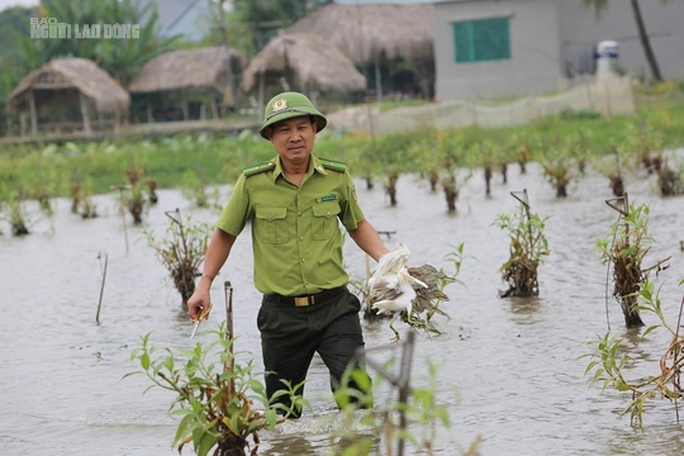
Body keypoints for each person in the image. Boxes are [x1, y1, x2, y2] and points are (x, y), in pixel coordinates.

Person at [187, 91, 389, 417]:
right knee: (283, 414)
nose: (294, 137)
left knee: (357, 401)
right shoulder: (252, 183)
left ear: (314, 131)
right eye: (284, 130)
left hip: (335, 309)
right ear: (271, 137)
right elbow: (225, 233)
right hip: (281, 318)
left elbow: (358, 225)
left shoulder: (336, 178)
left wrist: (388, 260)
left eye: (301, 127)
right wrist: (204, 282)